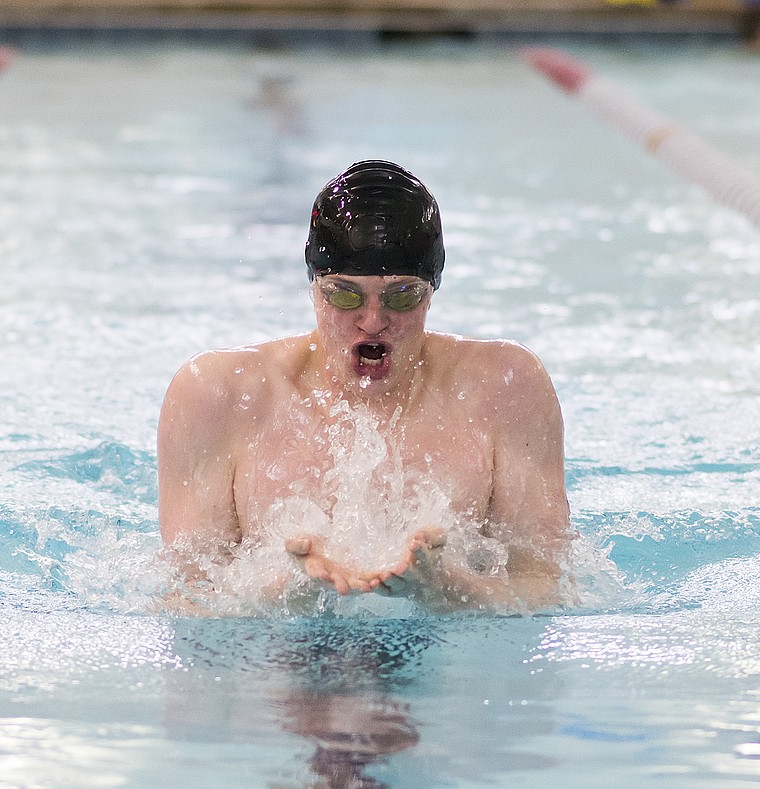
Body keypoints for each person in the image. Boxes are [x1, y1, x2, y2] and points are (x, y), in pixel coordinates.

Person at [157, 160, 572, 614]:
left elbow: (548, 585)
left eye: (401, 296)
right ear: (314, 287)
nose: (373, 321)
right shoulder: (218, 394)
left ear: (432, 290)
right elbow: (183, 599)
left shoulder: (505, 387)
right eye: (345, 294)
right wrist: (287, 593)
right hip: (275, 664)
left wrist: (448, 588)